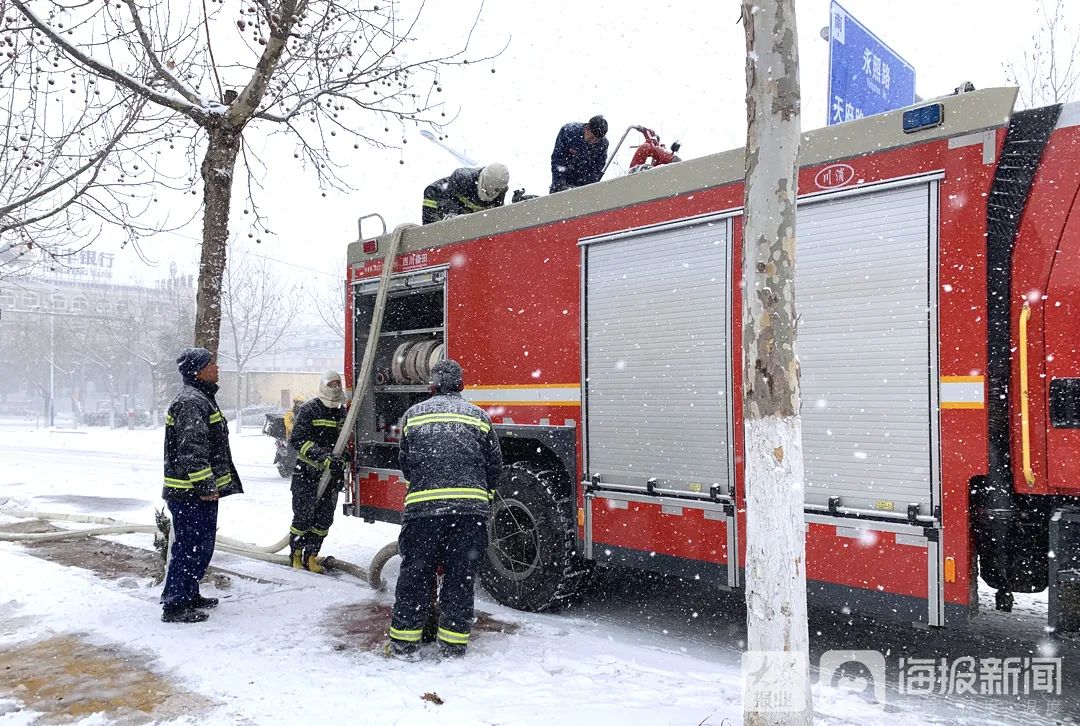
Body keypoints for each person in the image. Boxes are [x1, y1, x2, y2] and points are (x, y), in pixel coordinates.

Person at [387, 359, 503, 661]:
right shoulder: (479, 417)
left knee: (415, 575)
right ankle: (453, 645)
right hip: (469, 515)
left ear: (432, 386)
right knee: (460, 578)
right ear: (461, 385)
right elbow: (494, 466)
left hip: (423, 513)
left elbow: (406, 463)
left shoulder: (413, 416)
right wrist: (483, 497)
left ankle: (404, 644)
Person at [161, 348, 243, 623]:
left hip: (195, 493)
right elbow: (192, 451)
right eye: (211, 363)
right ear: (198, 371)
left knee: (200, 547)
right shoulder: (191, 402)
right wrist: (206, 487)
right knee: (189, 547)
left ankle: (189, 593)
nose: (217, 367)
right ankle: (175, 605)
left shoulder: (201, 398)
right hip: (190, 493)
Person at [288, 371, 349, 572]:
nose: (335, 387)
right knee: (303, 518)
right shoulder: (309, 409)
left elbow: (346, 442)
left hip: (330, 476)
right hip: (307, 474)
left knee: (323, 520)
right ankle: (296, 555)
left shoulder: (342, 412)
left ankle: (311, 556)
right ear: (323, 385)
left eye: (338, 383)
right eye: (331, 384)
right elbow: (297, 440)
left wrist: (342, 460)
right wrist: (323, 457)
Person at [421, 163, 509, 224]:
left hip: (466, 208)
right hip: (437, 196)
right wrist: (451, 215)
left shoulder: (501, 189)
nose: (495, 192)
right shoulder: (463, 178)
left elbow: (497, 214)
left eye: (498, 189)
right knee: (434, 230)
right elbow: (449, 200)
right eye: (494, 188)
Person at [549, 115, 609, 193]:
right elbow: (558, 159)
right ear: (587, 129)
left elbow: (597, 168)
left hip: (584, 181)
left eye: (596, 140)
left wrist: (587, 186)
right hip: (564, 175)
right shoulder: (569, 132)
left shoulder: (603, 144)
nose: (593, 141)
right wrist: (560, 183)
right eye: (591, 138)